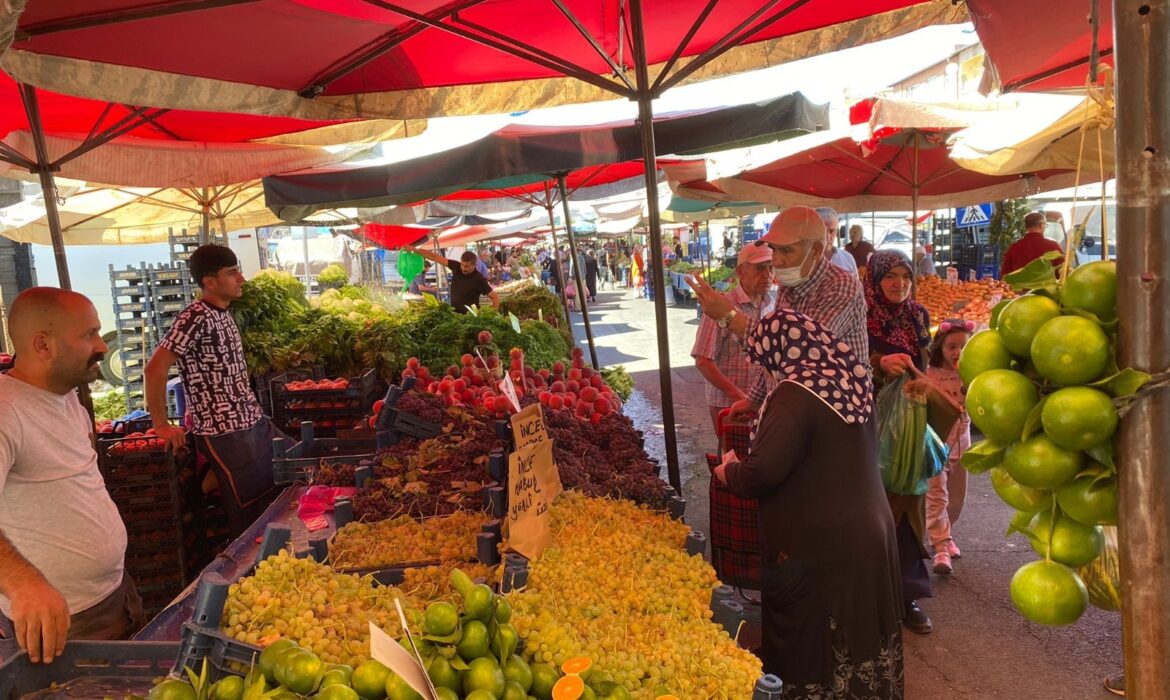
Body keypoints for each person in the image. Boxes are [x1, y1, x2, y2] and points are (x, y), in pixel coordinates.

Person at [714, 310, 902, 698]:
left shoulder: (794, 396)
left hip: (820, 545)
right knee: (862, 630)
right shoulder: (852, 379)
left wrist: (729, 471)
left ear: (779, 353)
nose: (766, 372)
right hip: (871, 530)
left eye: (765, 361)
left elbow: (760, 474)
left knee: (817, 639)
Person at [0, 288, 144, 662]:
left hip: (115, 596)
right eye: (88, 335)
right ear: (43, 345)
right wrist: (23, 583)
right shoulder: (6, 411)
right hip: (64, 625)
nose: (101, 345)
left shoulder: (68, 399)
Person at [146, 245, 283, 537]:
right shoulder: (195, 316)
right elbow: (155, 369)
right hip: (224, 432)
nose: (241, 279)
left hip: (251, 423)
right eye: (232, 273)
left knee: (279, 490)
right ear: (209, 282)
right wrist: (160, 424)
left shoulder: (222, 313)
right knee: (250, 514)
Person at [688, 207, 869, 423]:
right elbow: (772, 358)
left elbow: (798, 349)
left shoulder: (841, 286)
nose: (777, 261)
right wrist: (754, 400)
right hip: (794, 409)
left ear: (816, 249)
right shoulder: (788, 284)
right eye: (774, 250)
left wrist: (729, 317)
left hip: (834, 414)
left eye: (786, 251)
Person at [865, 249, 957, 635]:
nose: (899, 283)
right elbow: (847, 361)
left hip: (910, 420)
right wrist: (877, 364)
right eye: (890, 276)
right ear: (875, 279)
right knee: (872, 509)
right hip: (869, 421)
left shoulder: (918, 315)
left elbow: (924, 360)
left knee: (909, 505)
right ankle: (870, 597)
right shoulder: (860, 315)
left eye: (905, 276)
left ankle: (908, 597)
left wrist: (918, 378)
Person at [690, 244, 775, 434]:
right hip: (729, 405)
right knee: (734, 459)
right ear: (740, 272)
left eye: (771, 267)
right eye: (760, 268)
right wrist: (737, 396)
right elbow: (703, 360)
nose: (767, 274)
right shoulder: (721, 306)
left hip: (762, 404)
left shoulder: (772, 305)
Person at [925, 319, 974, 575]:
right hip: (935, 446)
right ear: (940, 348)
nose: (957, 353)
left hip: (962, 447)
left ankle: (947, 534)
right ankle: (940, 544)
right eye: (951, 347)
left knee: (956, 499)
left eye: (963, 348)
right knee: (936, 495)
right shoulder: (929, 374)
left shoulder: (972, 374)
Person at [404, 245, 500, 314]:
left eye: (467, 266)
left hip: (470, 316)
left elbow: (495, 298)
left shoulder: (479, 279)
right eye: (462, 264)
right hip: (454, 313)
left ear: (474, 265)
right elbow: (435, 257)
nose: (463, 268)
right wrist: (414, 249)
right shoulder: (456, 266)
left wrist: (492, 316)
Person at [815, 207, 859, 275]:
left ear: (837, 232)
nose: (827, 236)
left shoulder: (848, 258)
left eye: (831, 231)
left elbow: (857, 284)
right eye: (822, 231)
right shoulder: (803, 261)